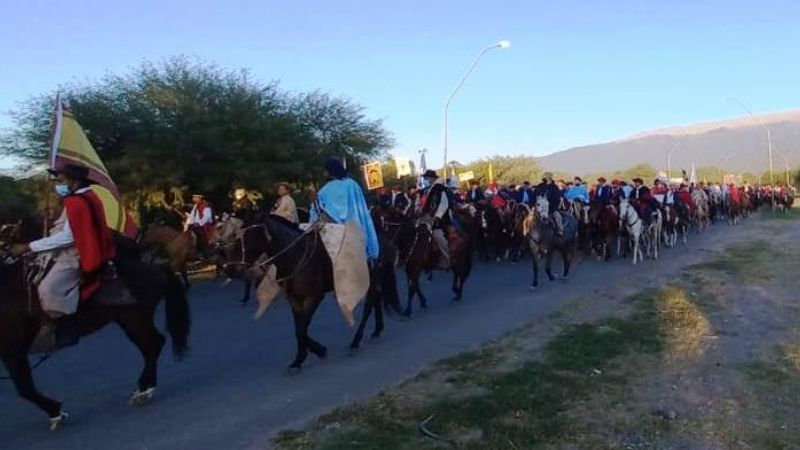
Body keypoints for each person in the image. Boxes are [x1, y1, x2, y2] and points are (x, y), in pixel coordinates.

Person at [10, 164, 116, 349]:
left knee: (48, 289)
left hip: (75, 254)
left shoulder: (79, 201)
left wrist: (29, 246)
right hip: (68, 248)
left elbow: (69, 237)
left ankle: (67, 325)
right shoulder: (79, 198)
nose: (58, 184)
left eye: (61, 180)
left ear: (73, 181)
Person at [311, 158, 379, 261]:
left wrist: (323, 213)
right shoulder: (327, 188)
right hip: (332, 232)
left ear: (331, 171)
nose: (324, 173)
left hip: (346, 232)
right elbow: (317, 209)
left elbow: (337, 211)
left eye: (325, 170)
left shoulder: (350, 184)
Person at [416, 169, 453, 268]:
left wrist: (437, 217)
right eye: (425, 178)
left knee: (438, 236)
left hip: (438, 216)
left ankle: (447, 258)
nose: (425, 180)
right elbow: (420, 203)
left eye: (427, 178)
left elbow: (444, 204)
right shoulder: (424, 191)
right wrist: (418, 209)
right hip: (424, 216)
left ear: (432, 179)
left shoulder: (440, 189)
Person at [534, 172, 564, 236]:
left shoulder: (554, 187)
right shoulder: (540, 186)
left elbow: (557, 198)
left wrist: (552, 205)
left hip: (551, 207)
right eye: (544, 177)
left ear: (549, 178)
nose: (545, 178)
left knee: (557, 216)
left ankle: (560, 230)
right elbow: (536, 194)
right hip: (540, 208)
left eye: (546, 177)